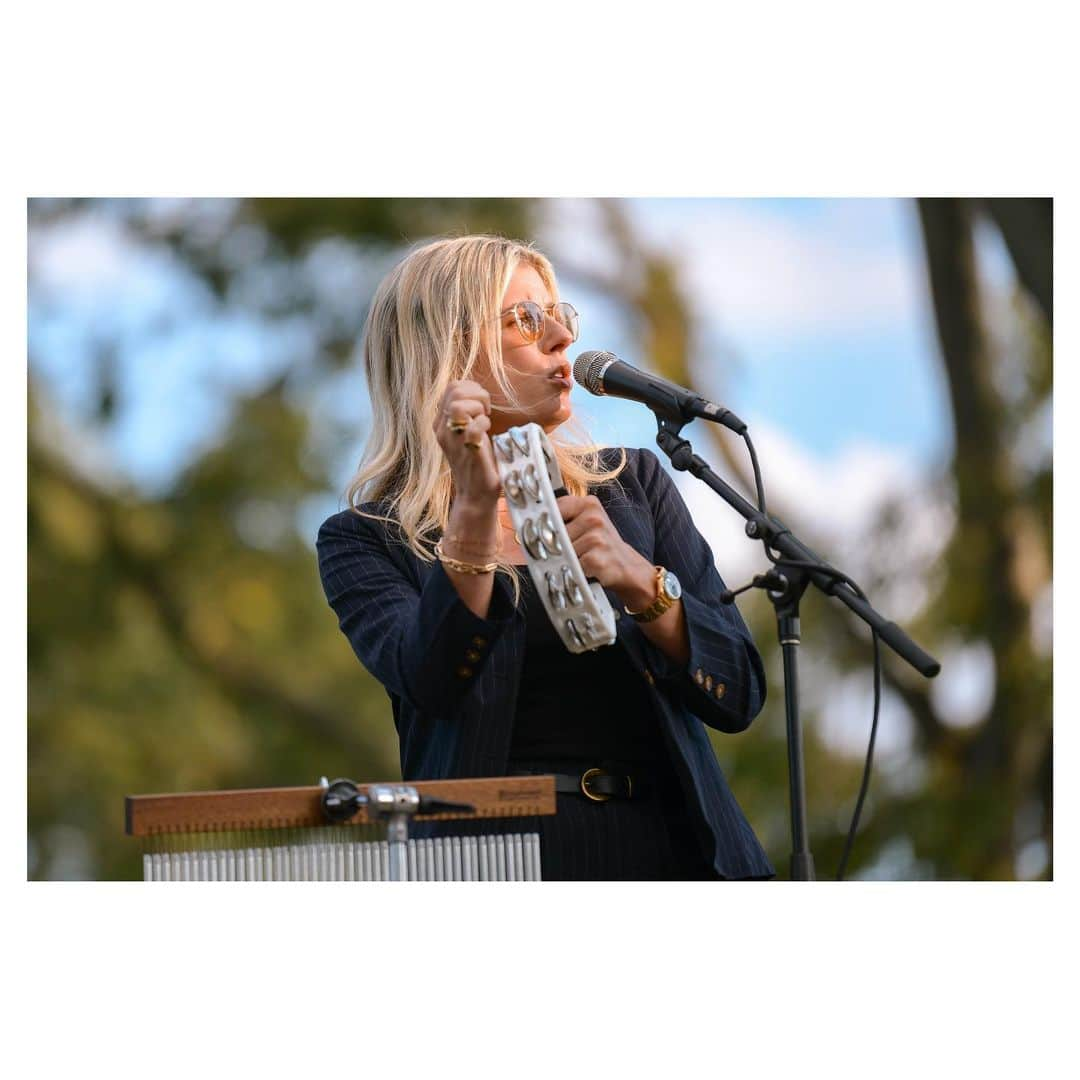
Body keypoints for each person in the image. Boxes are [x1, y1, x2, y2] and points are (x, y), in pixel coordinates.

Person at [316, 234, 774, 880]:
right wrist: (473, 510)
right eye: (527, 320)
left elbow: (740, 693)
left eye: (562, 316)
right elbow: (434, 680)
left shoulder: (632, 485)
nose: (562, 338)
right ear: (448, 348)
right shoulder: (365, 538)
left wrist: (643, 585)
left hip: (678, 851)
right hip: (500, 867)